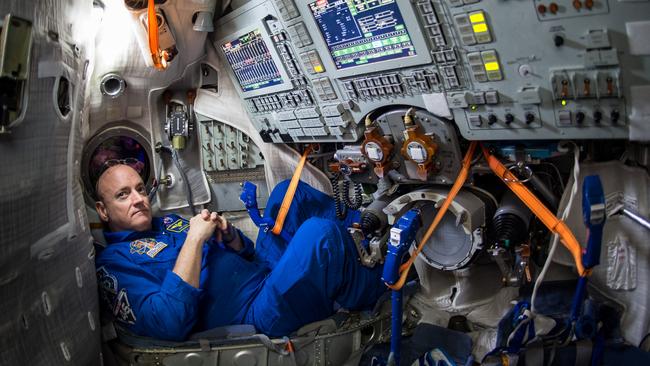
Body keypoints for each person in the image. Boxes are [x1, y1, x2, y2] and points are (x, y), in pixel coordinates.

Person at [94, 161, 386, 341]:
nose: (138, 199)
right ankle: (382, 283)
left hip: (262, 271)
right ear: (102, 211)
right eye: (123, 195)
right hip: (253, 314)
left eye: (141, 189)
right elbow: (167, 323)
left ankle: (371, 230)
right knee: (317, 234)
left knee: (289, 192)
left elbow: (244, 253)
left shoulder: (167, 223)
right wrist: (195, 240)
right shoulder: (114, 263)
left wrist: (231, 237)